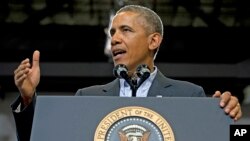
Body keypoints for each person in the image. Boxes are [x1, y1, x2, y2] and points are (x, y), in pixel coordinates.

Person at [11, 5, 242, 141]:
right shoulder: (87, 97)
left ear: (153, 40)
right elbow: (43, 138)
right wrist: (28, 99)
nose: (115, 39)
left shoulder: (189, 95)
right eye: (113, 32)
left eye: (126, 30)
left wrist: (226, 118)